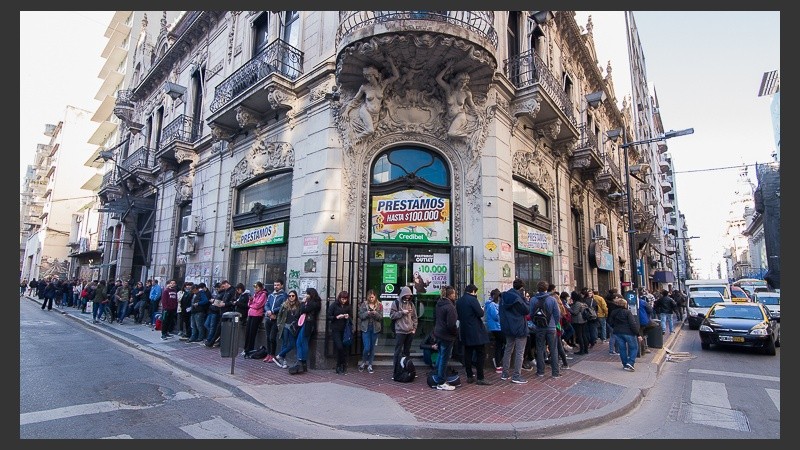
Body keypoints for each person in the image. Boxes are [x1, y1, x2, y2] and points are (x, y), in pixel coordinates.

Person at [344, 56, 399, 140]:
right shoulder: (364, 87)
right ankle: (355, 138)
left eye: (370, 76)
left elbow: (396, 76)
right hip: (366, 111)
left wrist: (391, 62)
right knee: (370, 130)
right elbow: (355, 100)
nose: (369, 78)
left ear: (375, 75)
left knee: (373, 137)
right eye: (367, 76)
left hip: (376, 115)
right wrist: (346, 111)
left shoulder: (382, 85)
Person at [456, 284, 491, 385]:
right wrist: (482, 309)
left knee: (468, 353)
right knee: (480, 353)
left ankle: (469, 375)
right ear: (473, 291)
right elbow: (480, 313)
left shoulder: (459, 301)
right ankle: (480, 377)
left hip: (464, 330)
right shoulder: (473, 300)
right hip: (476, 332)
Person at [436, 60, 477, 139]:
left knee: (451, 133)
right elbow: (438, 79)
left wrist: (479, 115)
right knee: (450, 133)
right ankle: (464, 136)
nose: (463, 84)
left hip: (460, 116)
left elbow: (472, 105)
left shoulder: (466, 93)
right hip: (448, 118)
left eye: (465, 82)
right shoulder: (448, 89)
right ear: (457, 81)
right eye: (461, 82)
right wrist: (447, 67)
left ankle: (466, 136)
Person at [499, 278, 530, 384]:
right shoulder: (518, 298)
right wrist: (524, 298)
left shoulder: (503, 297)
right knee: (519, 352)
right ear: (521, 288)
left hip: (508, 327)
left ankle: (505, 373)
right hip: (519, 327)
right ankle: (516, 375)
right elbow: (527, 310)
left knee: (508, 349)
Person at [288, 287, 322, 375]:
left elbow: (303, 309)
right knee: (300, 342)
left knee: (302, 341)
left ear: (311, 294)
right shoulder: (310, 302)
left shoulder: (314, 303)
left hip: (308, 324)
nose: (306, 295)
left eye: (307, 293)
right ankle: (302, 361)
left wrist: (303, 302)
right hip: (304, 323)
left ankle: (301, 361)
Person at [531, 281, 561, 378]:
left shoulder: (533, 300)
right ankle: (555, 372)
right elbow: (557, 314)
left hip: (539, 327)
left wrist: (536, 323)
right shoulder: (552, 300)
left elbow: (531, 314)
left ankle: (540, 371)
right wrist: (554, 323)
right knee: (553, 349)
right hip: (551, 327)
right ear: (546, 288)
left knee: (540, 348)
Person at [433, 286, 459, 390]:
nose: (455, 295)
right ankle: (441, 381)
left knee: (440, 355)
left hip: (439, 333)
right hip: (447, 335)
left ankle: (437, 376)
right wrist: (455, 333)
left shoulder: (439, 304)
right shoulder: (450, 307)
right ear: (451, 295)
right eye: (454, 294)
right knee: (444, 358)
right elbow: (451, 324)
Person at [390, 286, 418, 378]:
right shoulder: (396, 303)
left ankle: (407, 369)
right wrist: (402, 312)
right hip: (400, 331)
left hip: (409, 331)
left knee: (407, 352)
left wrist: (414, 328)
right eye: (406, 296)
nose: (408, 297)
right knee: (397, 352)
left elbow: (414, 317)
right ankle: (396, 371)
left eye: (409, 296)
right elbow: (392, 315)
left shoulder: (411, 304)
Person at [608, 296, 640, 371]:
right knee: (634, 347)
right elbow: (632, 324)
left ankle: (625, 364)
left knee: (622, 349)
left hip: (618, 332)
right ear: (624, 304)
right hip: (628, 332)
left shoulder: (613, 312)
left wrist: (615, 327)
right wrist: (638, 334)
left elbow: (610, 322)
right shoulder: (627, 312)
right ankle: (630, 362)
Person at [274, 289, 301, 369]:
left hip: (293, 327)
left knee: (292, 344)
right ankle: (282, 360)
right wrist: (279, 324)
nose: (291, 297)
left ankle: (278, 356)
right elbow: (279, 315)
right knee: (284, 343)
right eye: (290, 296)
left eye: (293, 296)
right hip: (285, 326)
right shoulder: (285, 305)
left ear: (295, 296)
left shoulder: (298, 305)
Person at [358, 289, 382, 374]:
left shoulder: (379, 305)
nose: (371, 298)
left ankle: (370, 365)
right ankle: (363, 362)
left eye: (373, 297)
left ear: (375, 297)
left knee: (372, 348)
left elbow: (381, 317)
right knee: (367, 347)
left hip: (375, 329)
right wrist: (367, 313)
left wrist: (375, 314)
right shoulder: (364, 305)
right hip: (366, 328)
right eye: (370, 297)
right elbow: (360, 315)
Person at [328, 290, 352, 374]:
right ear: (339, 298)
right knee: (339, 347)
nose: (344, 301)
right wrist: (336, 317)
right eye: (342, 299)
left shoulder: (348, 306)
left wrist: (347, 316)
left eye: (345, 299)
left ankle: (342, 365)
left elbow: (351, 316)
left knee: (344, 348)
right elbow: (328, 316)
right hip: (336, 329)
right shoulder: (334, 305)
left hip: (345, 329)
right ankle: (340, 364)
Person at [263, 280, 288, 363]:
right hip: (268, 318)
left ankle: (273, 354)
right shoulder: (271, 295)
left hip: (276, 319)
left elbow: (283, 306)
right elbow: (266, 305)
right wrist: (268, 311)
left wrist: (273, 311)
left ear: (282, 286)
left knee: (272, 337)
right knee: (267, 337)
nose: (276, 286)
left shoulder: (284, 295)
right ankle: (268, 354)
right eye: (275, 285)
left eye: (278, 285)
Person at [244, 281, 267, 356]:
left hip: (257, 315)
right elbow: (249, 304)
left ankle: (250, 349)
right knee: (248, 331)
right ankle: (246, 348)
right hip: (251, 314)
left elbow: (258, 305)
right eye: (255, 287)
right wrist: (250, 300)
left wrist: (251, 305)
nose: (255, 289)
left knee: (252, 332)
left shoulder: (263, 295)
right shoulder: (255, 295)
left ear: (260, 287)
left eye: (257, 287)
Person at [485, 288, 504, 373]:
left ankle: (498, 361)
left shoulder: (491, 304)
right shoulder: (492, 305)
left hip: (496, 327)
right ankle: (498, 361)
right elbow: (496, 317)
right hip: (496, 327)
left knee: (499, 345)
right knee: (504, 343)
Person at [569, 291, 589, 355]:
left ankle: (582, 350)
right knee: (583, 335)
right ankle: (585, 349)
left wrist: (568, 308)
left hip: (578, 321)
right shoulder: (583, 303)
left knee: (580, 335)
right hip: (583, 320)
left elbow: (575, 312)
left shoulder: (577, 303)